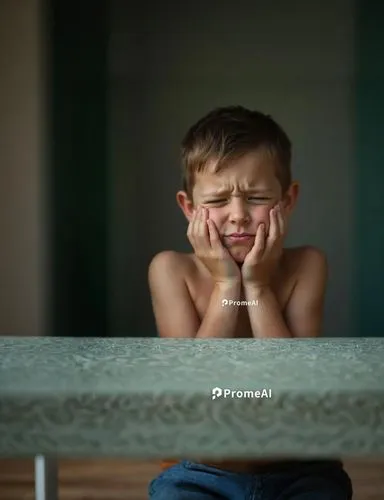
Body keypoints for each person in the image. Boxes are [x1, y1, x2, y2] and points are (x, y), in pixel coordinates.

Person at [147, 105, 353, 499]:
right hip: (199, 470)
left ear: (288, 199)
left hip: (300, 468)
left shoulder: (306, 266)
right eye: (218, 200)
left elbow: (292, 388)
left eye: (256, 197)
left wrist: (256, 288)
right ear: (189, 208)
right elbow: (195, 388)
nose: (238, 216)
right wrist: (228, 285)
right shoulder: (171, 271)